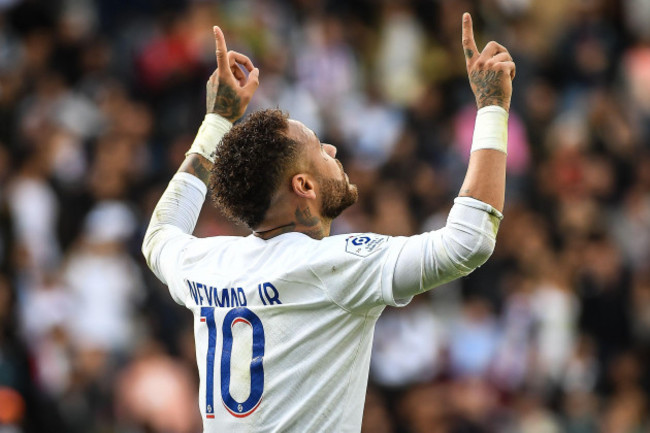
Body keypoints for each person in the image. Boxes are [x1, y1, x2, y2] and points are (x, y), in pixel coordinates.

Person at [142, 12, 515, 433]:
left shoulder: (207, 263)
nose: (334, 149)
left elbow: (159, 235)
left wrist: (216, 121)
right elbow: (468, 242)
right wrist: (492, 109)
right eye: (320, 148)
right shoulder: (335, 268)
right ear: (304, 185)